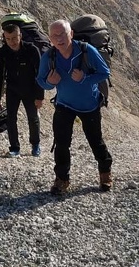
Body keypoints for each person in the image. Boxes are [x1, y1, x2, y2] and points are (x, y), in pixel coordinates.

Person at [37, 19, 113, 194]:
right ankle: (62, 179)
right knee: (61, 144)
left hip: (90, 105)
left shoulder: (87, 51)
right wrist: (50, 82)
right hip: (64, 105)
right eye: (55, 35)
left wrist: (85, 78)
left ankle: (105, 173)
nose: (59, 38)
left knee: (96, 142)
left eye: (62, 33)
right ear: (50, 39)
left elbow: (104, 72)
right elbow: (41, 82)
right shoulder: (49, 56)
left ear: (71, 34)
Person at [0, 24, 44, 157]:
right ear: (4, 37)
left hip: (30, 90)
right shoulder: (3, 52)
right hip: (12, 90)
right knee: (11, 119)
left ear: (20, 35)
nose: (12, 42)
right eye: (8, 39)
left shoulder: (31, 50)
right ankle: (14, 148)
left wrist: (40, 96)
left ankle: (35, 144)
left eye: (14, 38)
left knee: (33, 118)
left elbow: (40, 74)